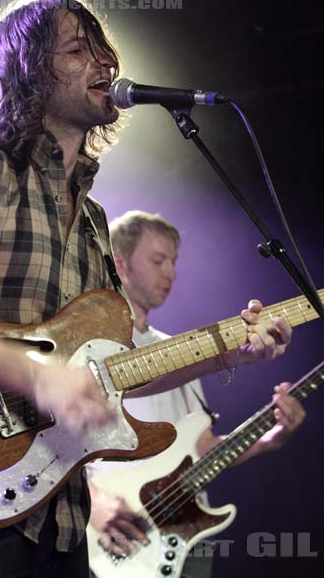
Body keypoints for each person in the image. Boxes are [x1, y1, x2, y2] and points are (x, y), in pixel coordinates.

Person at [0, 0, 296, 577]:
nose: (106, 65)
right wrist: (35, 378)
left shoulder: (93, 217)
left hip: (66, 509)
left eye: (104, 50)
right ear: (26, 72)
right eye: (78, 50)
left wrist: (233, 349)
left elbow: (115, 367)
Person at [88, 211, 305, 578]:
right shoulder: (93, 349)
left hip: (182, 538)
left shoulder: (182, 351)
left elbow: (200, 448)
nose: (171, 273)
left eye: (173, 262)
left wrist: (270, 439)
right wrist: (91, 503)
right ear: (120, 262)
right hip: (112, 532)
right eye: (158, 260)